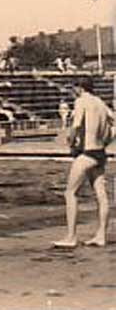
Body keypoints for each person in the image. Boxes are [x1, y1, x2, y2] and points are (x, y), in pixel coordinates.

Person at [53, 79, 113, 248]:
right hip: (100, 152)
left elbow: (77, 124)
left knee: (70, 193)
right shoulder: (100, 103)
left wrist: (71, 142)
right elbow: (114, 122)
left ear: (79, 88)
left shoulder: (81, 101)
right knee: (101, 195)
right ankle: (101, 236)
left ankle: (71, 237)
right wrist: (106, 140)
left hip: (87, 153)